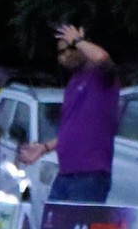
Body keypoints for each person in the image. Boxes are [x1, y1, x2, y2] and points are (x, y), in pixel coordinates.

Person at [42, 22, 119, 202]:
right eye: (61, 52)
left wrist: (78, 40)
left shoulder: (101, 76)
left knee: (78, 221)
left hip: (90, 175)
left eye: (71, 47)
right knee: (53, 220)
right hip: (65, 173)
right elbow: (70, 131)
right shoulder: (73, 84)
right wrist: (45, 148)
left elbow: (102, 58)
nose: (67, 54)